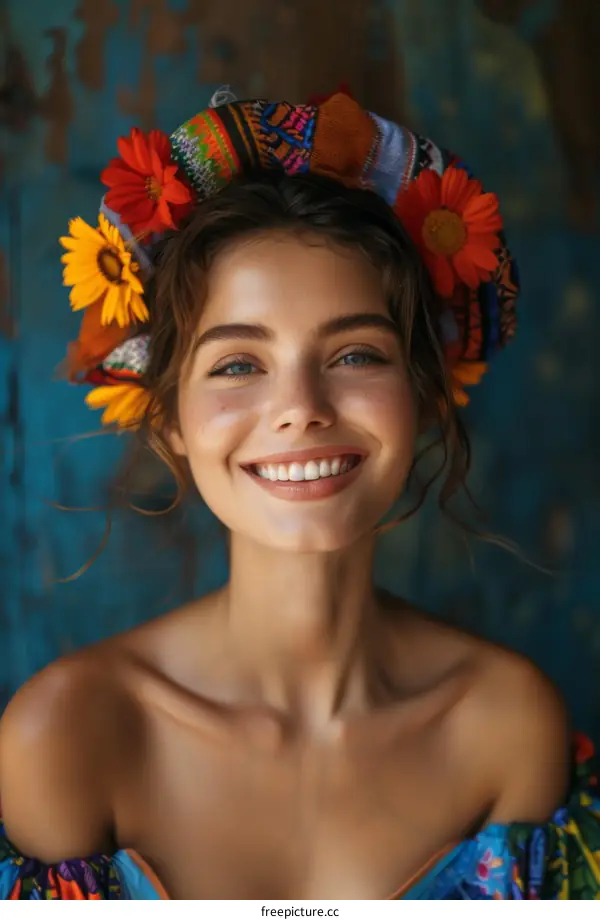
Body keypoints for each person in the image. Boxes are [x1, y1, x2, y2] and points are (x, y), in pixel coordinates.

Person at [0, 90, 599, 901]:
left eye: (355, 354)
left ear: (424, 392)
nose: (302, 407)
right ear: (168, 418)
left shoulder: (507, 726)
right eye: (238, 364)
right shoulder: (68, 736)